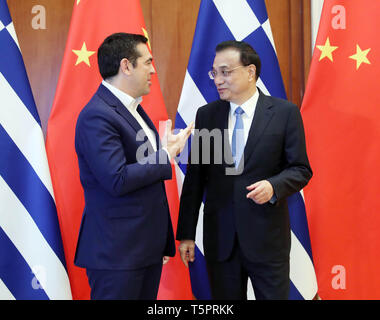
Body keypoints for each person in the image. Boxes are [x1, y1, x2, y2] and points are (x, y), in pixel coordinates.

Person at [176, 40, 312, 300]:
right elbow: (196, 179)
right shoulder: (208, 115)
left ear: (250, 72)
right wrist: (186, 234)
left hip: (267, 240)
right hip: (221, 241)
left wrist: (274, 186)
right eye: (214, 73)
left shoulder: (284, 113)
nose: (218, 79)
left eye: (226, 72)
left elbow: (300, 169)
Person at [74, 32, 192, 300]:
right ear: (126, 66)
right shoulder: (97, 115)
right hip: (118, 254)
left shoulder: (133, 109)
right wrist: (165, 155)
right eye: (148, 62)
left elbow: (138, 165)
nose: (153, 70)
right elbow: (117, 179)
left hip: (142, 249)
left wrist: (165, 149)